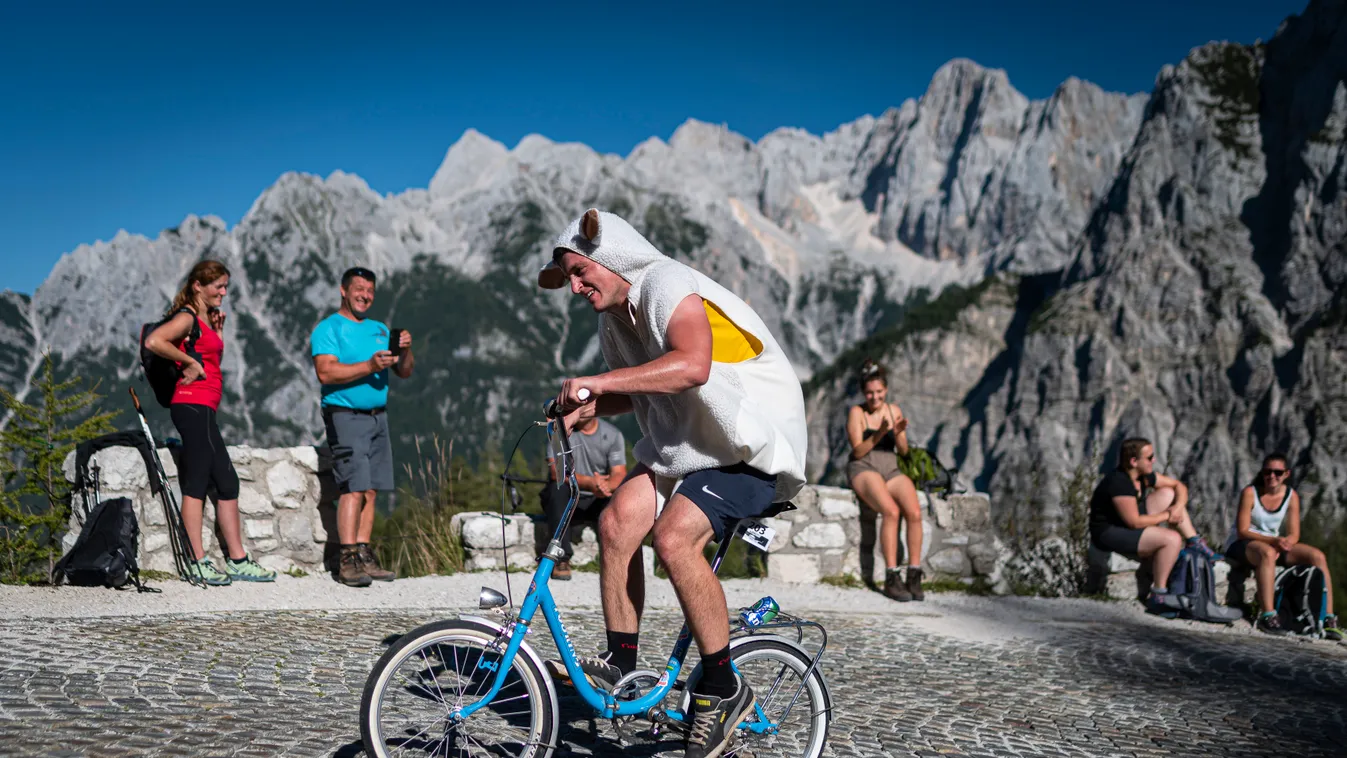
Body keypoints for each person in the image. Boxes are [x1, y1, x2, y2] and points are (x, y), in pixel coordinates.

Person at [538, 208, 808, 758]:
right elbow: (636, 391)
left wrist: (596, 382)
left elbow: (693, 365)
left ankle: (723, 684)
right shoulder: (614, 320)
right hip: (688, 450)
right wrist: (588, 406)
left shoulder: (665, 281)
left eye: (579, 272)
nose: (574, 286)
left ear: (608, 256)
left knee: (672, 539)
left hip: (750, 448)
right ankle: (622, 664)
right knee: (616, 523)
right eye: (567, 278)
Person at [145, 260, 276, 585]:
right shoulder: (187, 316)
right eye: (218, 285)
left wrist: (216, 333)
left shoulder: (203, 320)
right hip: (191, 406)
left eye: (226, 286)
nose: (224, 292)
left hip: (205, 409)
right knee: (198, 481)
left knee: (228, 482)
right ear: (197, 286)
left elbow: (211, 359)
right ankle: (197, 561)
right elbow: (154, 342)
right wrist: (189, 362)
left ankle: (238, 561)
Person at [310, 267, 414, 587]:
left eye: (369, 291)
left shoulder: (380, 329)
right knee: (352, 487)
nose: (365, 295)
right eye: (358, 289)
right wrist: (369, 366)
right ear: (343, 290)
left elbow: (405, 372)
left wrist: (405, 349)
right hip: (345, 414)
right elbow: (326, 373)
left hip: (378, 415)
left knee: (371, 489)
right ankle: (347, 558)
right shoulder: (328, 328)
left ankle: (364, 554)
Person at [1088, 437, 1220, 616]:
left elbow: (1178, 486)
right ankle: (1159, 594)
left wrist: (1178, 507)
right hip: (1109, 532)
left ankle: (1194, 541)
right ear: (1134, 461)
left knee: (1168, 494)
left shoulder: (1142, 477)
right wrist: (1168, 515)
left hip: (1125, 522)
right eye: (1149, 458)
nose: (1154, 460)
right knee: (1171, 539)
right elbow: (1133, 522)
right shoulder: (1119, 483)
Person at [1225, 453, 1343, 638]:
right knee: (1267, 554)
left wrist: (1284, 543)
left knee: (1317, 556)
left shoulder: (1291, 496)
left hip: (1273, 544)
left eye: (1277, 472)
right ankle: (1268, 615)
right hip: (1242, 544)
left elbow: (1294, 533)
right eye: (1267, 472)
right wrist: (1274, 542)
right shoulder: (1250, 493)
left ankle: (1327, 618)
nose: (1272, 476)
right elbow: (1243, 531)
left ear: (1286, 474)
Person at [846, 359, 924, 602]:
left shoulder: (893, 410)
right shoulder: (857, 413)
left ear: (885, 390)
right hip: (864, 467)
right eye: (870, 392)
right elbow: (858, 451)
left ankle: (914, 573)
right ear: (863, 393)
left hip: (890, 467)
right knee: (890, 511)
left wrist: (899, 433)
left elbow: (903, 452)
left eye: (879, 392)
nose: (874, 397)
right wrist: (880, 433)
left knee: (914, 512)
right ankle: (891, 576)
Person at [539, 415, 627, 580]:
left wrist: (605, 487)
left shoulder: (612, 434)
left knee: (620, 495)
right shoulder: (559, 432)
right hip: (570, 497)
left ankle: (618, 560)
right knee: (556, 489)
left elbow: (619, 473)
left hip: (597, 498)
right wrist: (590, 482)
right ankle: (561, 558)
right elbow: (556, 472)